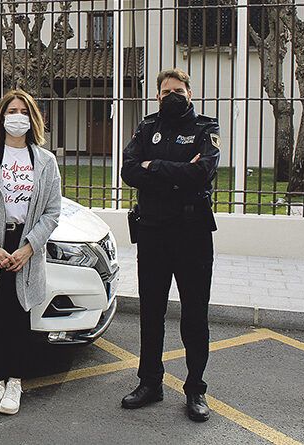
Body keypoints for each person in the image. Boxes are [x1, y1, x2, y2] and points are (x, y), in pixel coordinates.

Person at [120, 68, 220, 422]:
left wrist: (154, 167)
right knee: (151, 312)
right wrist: (174, 170)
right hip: (152, 232)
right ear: (157, 96)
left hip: (192, 234)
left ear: (190, 93)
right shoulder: (147, 127)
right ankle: (150, 383)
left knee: (195, 315)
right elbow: (128, 171)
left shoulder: (206, 129)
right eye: (166, 91)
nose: (172, 95)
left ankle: (195, 389)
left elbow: (201, 172)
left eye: (179, 90)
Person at [0, 89, 62, 417]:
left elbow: (52, 211)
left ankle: (15, 381)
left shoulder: (45, 161)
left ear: (32, 119)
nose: (16, 116)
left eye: (23, 111)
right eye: (10, 110)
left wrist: (30, 247)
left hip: (25, 245)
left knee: (19, 316)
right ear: (1, 116)